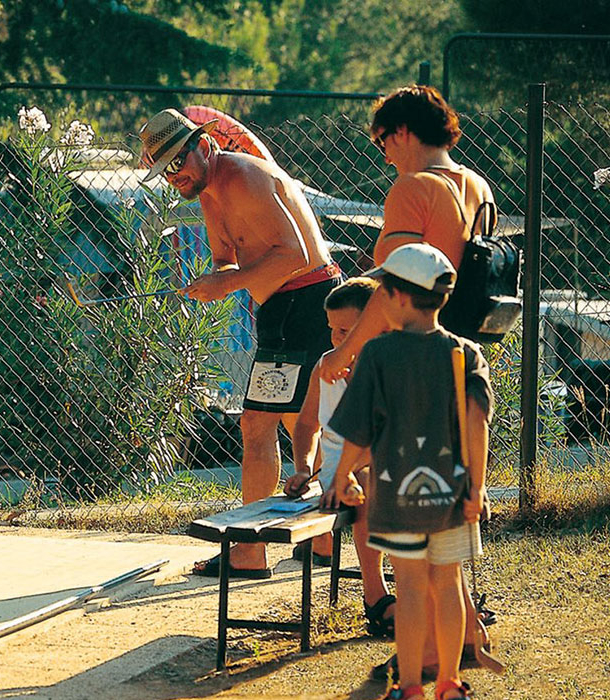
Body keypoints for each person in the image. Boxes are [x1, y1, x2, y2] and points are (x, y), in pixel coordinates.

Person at [139, 108, 340, 578]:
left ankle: (249, 553)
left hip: (307, 303)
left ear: (203, 146)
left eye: (177, 163)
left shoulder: (245, 176)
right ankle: (323, 544)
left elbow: (298, 255)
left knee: (257, 426)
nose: (174, 177)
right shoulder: (208, 192)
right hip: (281, 311)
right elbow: (228, 261)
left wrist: (225, 286)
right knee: (296, 421)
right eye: (164, 170)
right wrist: (212, 280)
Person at [329, 244, 490, 700]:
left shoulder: (377, 354)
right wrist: (475, 486)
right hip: (453, 496)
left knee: (413, 589)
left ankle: (414, 686)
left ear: (396, 296)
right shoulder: (465, 353)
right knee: (448, 584)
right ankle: (451, 683)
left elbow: (359, 428)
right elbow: (476, 423)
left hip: (396, 498)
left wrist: (342, 475)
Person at [320, 84, 497, 383]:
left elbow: (395, 289)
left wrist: (346, 350)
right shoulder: (479, 187)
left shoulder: (413, 187)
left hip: (413, 355)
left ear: (401, 132)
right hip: (462, 351)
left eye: (381, 142)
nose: (386, 157)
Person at [284, 276, 397, 637]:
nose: (336, 339)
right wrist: (303, 467)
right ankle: (376, 597)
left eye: (346, 330)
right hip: (336, 476)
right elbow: (305, 424)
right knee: (362, 481)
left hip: (383, 468)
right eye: (332, 329)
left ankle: (396, 594)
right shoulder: (326, 367)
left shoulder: (390, 365)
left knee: (368, 477)